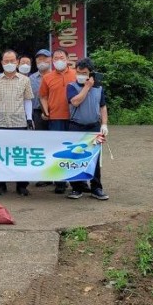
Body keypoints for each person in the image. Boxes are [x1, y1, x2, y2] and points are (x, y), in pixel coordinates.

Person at [0, 49, 34, 196]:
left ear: (17, 62)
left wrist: (30, 118)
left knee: (19, 155)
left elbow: (27, 100)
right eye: (6, 61)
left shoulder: (25, 80)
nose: (9, 63)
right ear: (1, 63)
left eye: (12, 61)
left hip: (19, 121)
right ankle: (1, 185)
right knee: (0, 155)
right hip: (0, 121)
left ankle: (21, 185)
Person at [66, 58, 109, 200]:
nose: (80, 75)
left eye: (84, 73)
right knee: (76, 158)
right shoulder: (71, 86)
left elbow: (102, 106)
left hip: (93, 126)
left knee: (95, 159)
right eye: (78, 72)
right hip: (76, 126)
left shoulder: (99, 88)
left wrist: (104, 124)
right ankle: (76, 188)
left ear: (91, 73)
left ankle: (96, 188)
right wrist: (86, 87)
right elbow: (75, 101)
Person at [39, 48, 77, 194]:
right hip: (55, 118)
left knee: (75, 150)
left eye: (61, 58)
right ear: (52, 61)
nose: (58, 61)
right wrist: (46, 110)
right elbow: (42, 96)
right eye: (55, 58)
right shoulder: (47, 77)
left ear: (68, 59)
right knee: (58, 151)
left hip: (74, 118)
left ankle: (78, 183)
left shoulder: (76, 74)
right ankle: (60, 182)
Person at [29, 49, 52, 131]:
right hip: (36, 114)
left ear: (50, 59)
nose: (42, 61)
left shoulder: (56, 76)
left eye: (45, 58)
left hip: (54, 112)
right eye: (39, 59)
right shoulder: (31, 78)